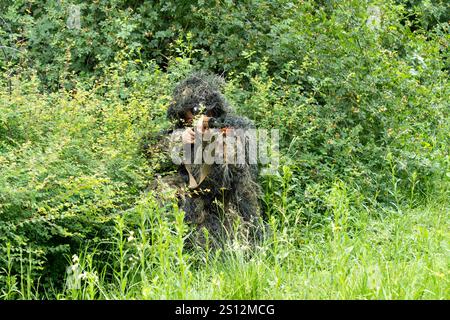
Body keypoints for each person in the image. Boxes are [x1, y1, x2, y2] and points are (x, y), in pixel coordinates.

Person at [142, 72, 263, 248]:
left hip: (225, 201)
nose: (201, 115)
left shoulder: (230, 128)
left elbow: (237, 163)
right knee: (161, 191)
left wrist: (211, 142)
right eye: (195, 111)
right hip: (192, 196)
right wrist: (180, 141)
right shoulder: (178, 131)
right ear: (183, 114)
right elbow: (151, 150)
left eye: (207, 109)